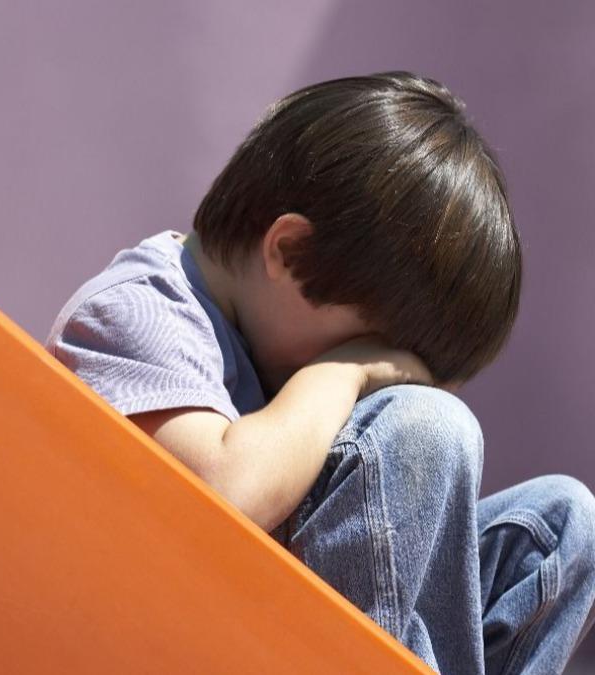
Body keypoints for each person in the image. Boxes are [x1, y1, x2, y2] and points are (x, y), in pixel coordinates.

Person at [43, 71, 595, 674]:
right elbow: (221, 494)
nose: (381, 373)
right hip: (167, 640)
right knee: (426, 426)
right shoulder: (136, 308)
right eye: (375, 347)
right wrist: (345, 371)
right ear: (290, 252)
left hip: (283, 622)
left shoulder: (266, 336)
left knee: (563, 525)